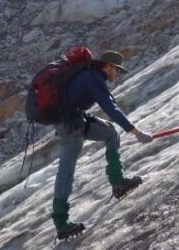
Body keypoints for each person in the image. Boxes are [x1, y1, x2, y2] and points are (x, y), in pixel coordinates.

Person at [51, 51, 153, 240]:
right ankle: (61, 222)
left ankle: (118, 182)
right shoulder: (92, 77)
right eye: (117, 70)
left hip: (77, 119)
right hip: (69, 126)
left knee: (110, 134)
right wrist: (136, 132)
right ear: (107, 67)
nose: (118, 75)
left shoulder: (91, 76)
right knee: (66, 171)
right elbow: (109, 107)